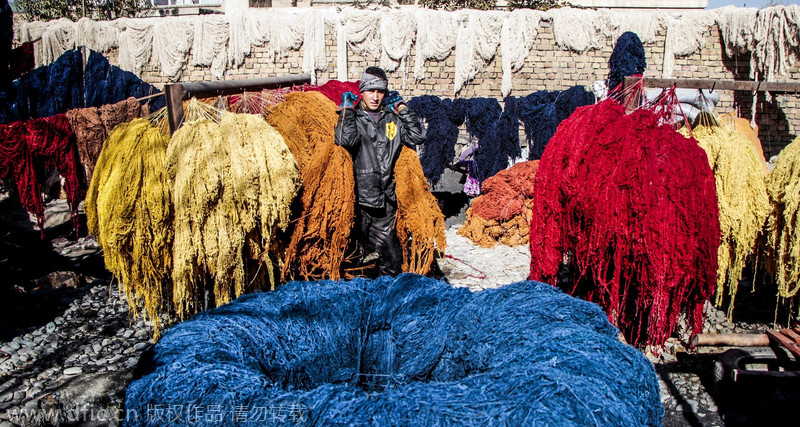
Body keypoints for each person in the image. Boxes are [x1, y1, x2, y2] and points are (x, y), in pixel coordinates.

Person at [334, 66, 426, 276]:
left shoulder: (392, 120)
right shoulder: (355, 118)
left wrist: (402, 108)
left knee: (392, 259)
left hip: (386, 201)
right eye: (370, 91)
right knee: (353, 257)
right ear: (362, 92)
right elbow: (344, 140)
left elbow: (418, 136)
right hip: (359, 201)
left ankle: (387, 297)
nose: (375, 97)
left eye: (380, 92)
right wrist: (346, 112)